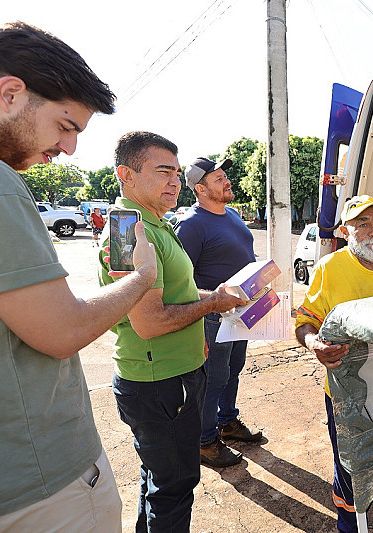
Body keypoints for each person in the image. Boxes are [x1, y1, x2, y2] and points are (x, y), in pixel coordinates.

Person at [0, 22, 160, 531]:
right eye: (66, 125)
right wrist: (141, 276)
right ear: (10, 93)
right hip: (37, 482)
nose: (69, 148)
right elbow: (61, 331)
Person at [98, 132, 247, 531]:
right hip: (159, 381)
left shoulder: (157, 225)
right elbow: (149, 323)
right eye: (163, 171)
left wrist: (213, 297)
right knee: (175, 486)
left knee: (159, 480)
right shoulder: (127, 230)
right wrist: (213, 304)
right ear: (125, 174)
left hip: (173, 375)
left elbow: (175, 294)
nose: (174, 182)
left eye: (178, 174)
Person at [295, 195, 373, 533]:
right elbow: (306, 320)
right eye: (362, 224)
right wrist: (314, 344)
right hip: (347, 390)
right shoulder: (329, 267)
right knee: (353, 470)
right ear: (344, 231)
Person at [175, 156, 263, 469]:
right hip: (212, 316)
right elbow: (180, 280)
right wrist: (211, 302)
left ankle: (227, 422)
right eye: (218, 179)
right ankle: (205, 441)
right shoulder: (191, 225)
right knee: (212, 379)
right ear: (200, 189)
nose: (226, 181)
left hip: (240, 310)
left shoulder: (233, 214)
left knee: (233, 369)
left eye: (225, 176)